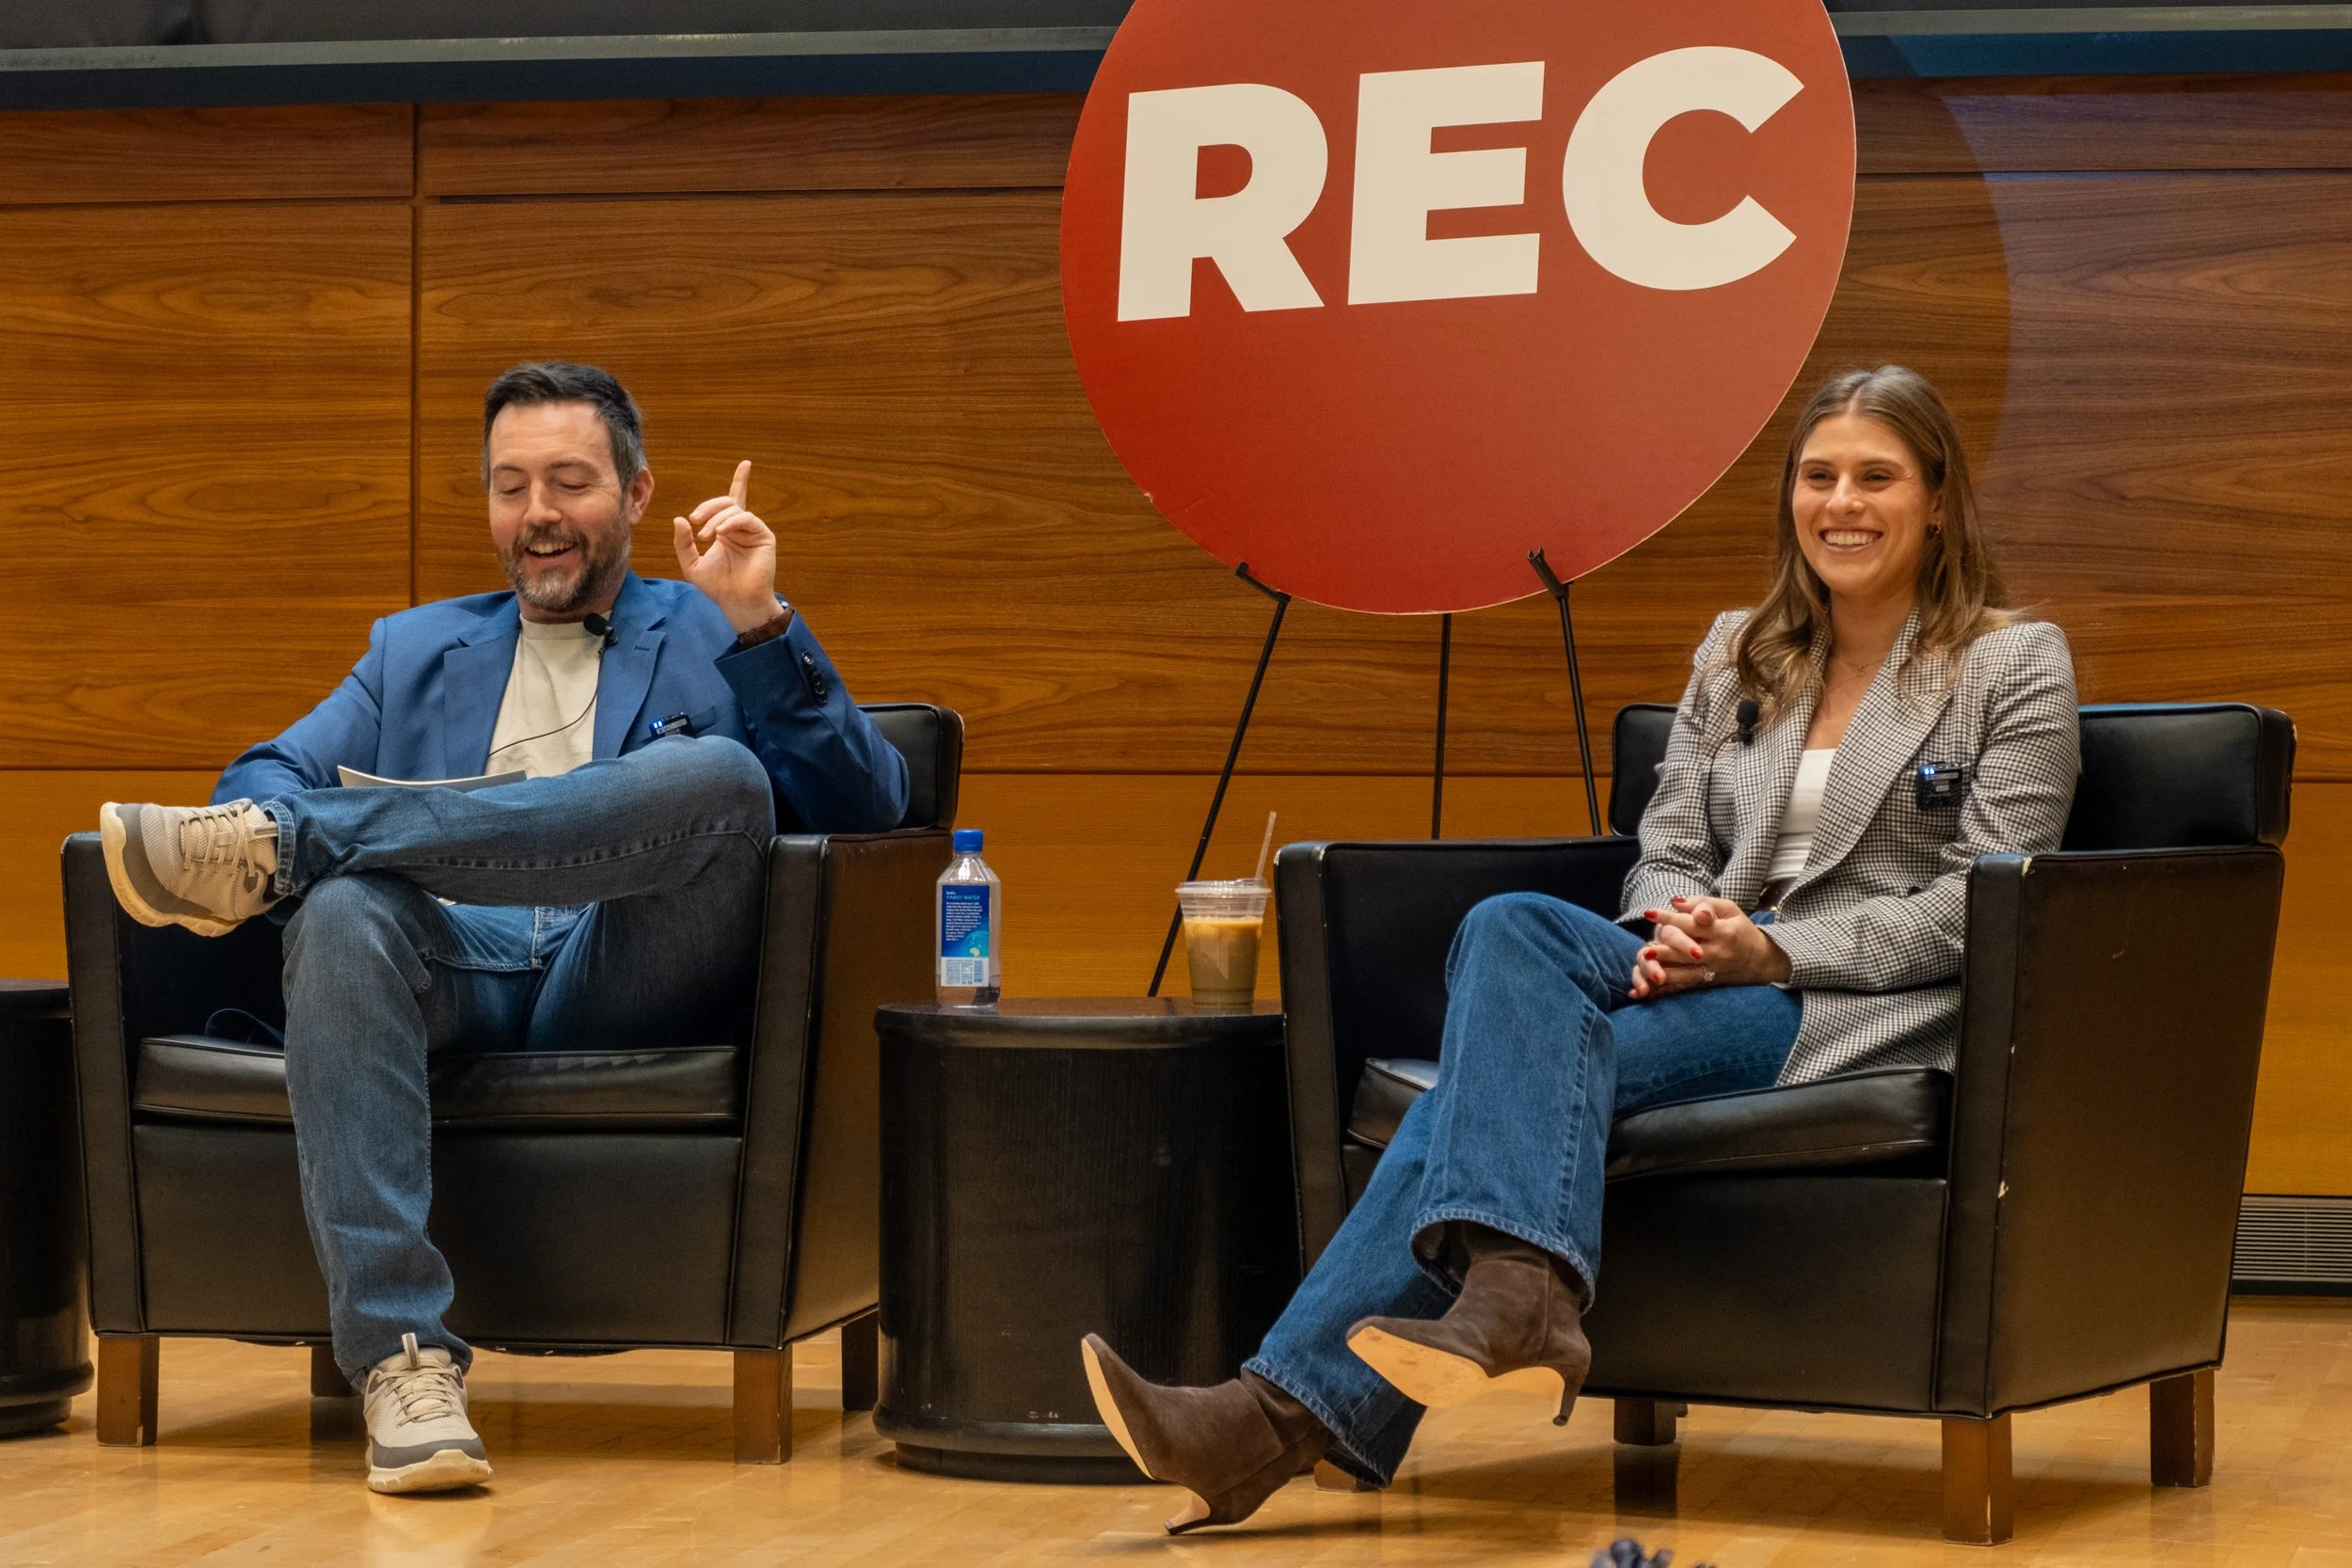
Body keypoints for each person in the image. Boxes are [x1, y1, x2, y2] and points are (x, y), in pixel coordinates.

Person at [1079, 365, 2082, 1531]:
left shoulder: (2014, 663)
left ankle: (1267, 1419)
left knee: (1477, 1089)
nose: (1841, 504)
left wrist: (1769, 949)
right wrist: (1677, 927)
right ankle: (1521, 1289)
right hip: (1698, 955)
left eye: (1876, 476)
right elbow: (1662, 840)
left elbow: (1992, 894)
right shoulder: (1738, 651)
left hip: (1850, 1002)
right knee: (1507, 925)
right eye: (1818, 476)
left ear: (1939, 499)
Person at [96, 361, 908, 1495]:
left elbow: (872, 812)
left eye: (570, 481)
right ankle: (402, 1360)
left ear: (633, 494)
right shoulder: (417, 648)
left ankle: (312, 841)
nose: (538, 513)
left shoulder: (714, 625)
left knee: (716, 775)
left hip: (624, 961)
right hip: (453, 962)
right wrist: (300, 819)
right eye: (510, 484)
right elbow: (262, 771)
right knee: (337, 907)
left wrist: (763, 624)